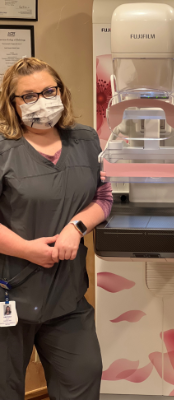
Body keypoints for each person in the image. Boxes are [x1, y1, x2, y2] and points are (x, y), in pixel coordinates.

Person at [0, 57, 113, 400]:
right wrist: (27, 249)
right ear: (12, 104)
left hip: (67, 299)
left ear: (61, 92)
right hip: (10, 297)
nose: (41, 101)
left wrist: (75, 228)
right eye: (29, 96)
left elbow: (104, 196)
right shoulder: (4, 149)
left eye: (49, 91)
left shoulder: (85, 139)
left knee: (83, 378)